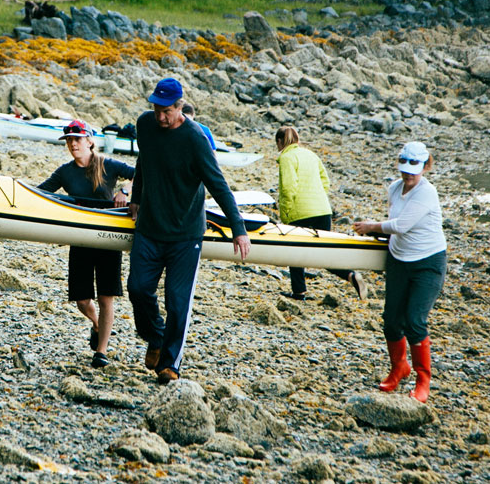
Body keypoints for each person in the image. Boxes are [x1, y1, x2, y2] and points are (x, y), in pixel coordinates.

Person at [128, 77, 250, 384]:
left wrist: (238, 228)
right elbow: (144, 162)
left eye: (166, 111)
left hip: (185, 236)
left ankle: (170, 364)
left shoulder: (196, 138)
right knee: (137, 288)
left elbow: (218, 184)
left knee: (177, 302)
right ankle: (155, 337)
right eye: (156, 109)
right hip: (149, 228)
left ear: (180, 107)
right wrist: (136, 199)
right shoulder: (145, 125)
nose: (160, 117)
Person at [353, 141, 447, 403]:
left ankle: (422, 380)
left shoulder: (427, 193)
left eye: (414, 167)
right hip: (399, 260)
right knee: (391, 320)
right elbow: (396, 223)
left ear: (425, 166)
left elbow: (402, 225)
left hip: (428, 262)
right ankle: (399, 368)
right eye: (404, 166)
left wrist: (371, 227)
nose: (407, 173)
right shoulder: (394, 188)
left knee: (415, 320)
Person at [38, 121, 135, 368]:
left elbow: (142, 175)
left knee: (106, 298)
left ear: (90, 141)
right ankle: (96, 324)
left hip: (108, 238)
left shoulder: (108, 165)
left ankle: (101, 351)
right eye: (69, 140)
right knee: (83, 301)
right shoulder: (65, 172)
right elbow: (40, 193)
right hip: (80, 237)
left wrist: (124, 189)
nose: (72, 144)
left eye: (77, 139)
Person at [275, 126, 368, 301]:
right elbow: (325, 181)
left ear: (280, 142)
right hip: (323, 210)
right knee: (324, 252)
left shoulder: (286, 157)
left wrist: (285, 214)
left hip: (299, 211)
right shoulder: (311, 155)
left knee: (294, 252)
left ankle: (299, 292)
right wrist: (316, 199)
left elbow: (288, 188)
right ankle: (350, 275)